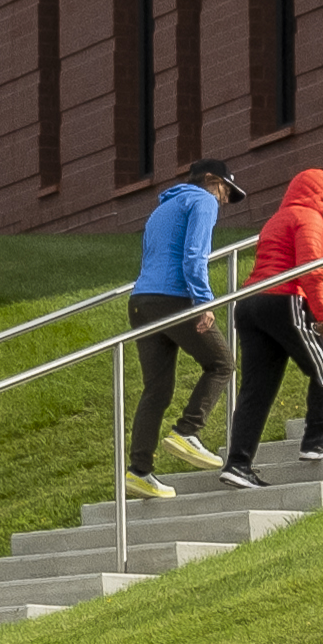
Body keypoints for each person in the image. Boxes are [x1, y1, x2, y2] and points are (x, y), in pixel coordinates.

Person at [212, 163, 323, 480]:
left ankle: (238, 464)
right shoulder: (309, 219)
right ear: (322, 198)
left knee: (256, 390)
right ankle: (317, 441)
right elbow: (311, 270)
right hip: (283, 300)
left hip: (251, 303)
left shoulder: (277, 219)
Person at [122, 160, 235, 495]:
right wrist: (204, 302)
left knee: (156, 390)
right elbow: (194, 255)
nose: (225, 200)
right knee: (222, 363)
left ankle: (139, 471)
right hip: (173, 298)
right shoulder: (202, 201)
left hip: (142, 302)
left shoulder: (164, 208)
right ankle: (187, 432)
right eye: (226, 191)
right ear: (212, 181)